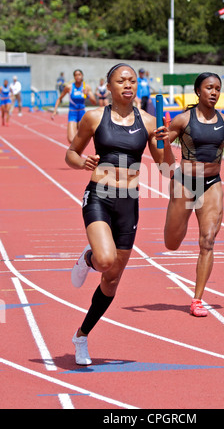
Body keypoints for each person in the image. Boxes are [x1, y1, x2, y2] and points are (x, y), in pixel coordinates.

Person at [66, 63, 173, 365]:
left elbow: (166, 167)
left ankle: (81, 336)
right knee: (104, 260)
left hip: (129, 200)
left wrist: (165, 141)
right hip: (99, 194)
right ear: (109, 86)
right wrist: (82, 162)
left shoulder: (150, 122)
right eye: (121, 80)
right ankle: (89, 258)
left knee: (111, 280)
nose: (128, 85)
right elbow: (71, 153)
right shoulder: (94, 117)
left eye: (133, 81)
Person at [164, 72, 224, 317]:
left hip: (212, 183)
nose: (214, 92)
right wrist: (162, 141)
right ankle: (182, 220)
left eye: (217, 88)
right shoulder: (182, 120)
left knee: (207, 240)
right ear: (198, 91)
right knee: (171, 244)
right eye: (209, 88)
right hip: (184, 183)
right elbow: (162, 155)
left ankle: (197, 299)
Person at [52, 69, 97, 143]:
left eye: (79, 74)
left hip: (82, 114)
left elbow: (94, 102)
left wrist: (87, 94)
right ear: (74, 77)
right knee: (71, 139)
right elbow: (59, 99)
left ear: (82, 76)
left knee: (83, 139)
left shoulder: (86, 87)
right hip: (72, 113)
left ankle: (78, 153)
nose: (78, 76)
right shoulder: (69, 87)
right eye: (76, 75)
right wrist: (54, 111)